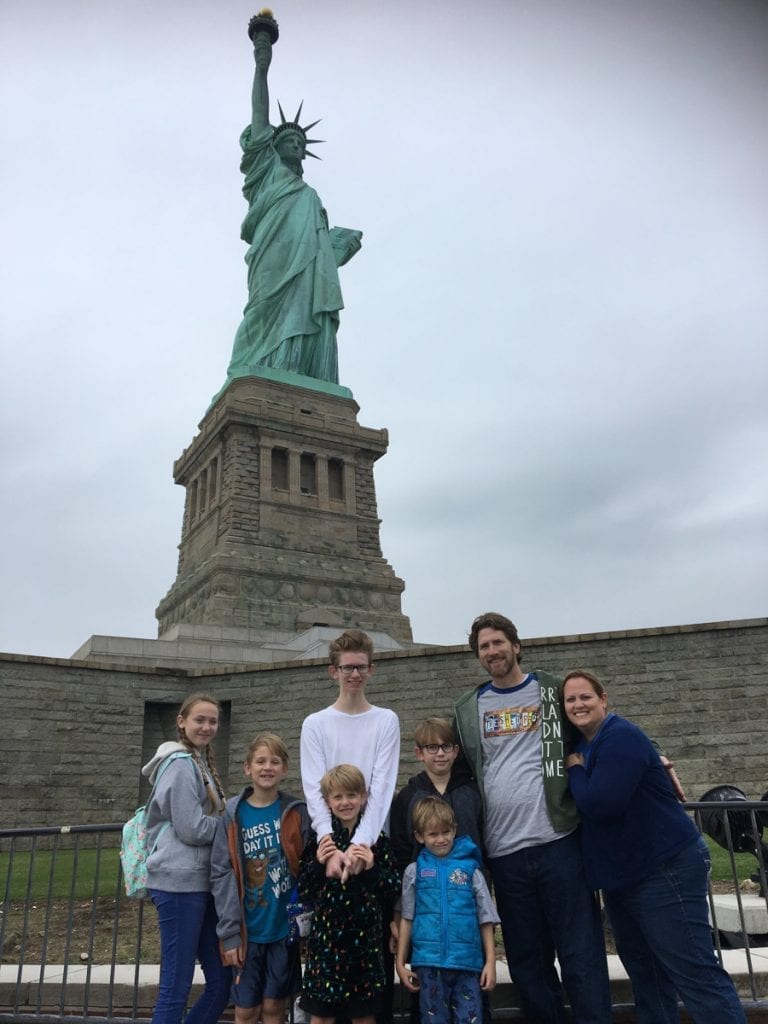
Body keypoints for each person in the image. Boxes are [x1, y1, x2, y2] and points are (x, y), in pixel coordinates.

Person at [562, 670, 747, 1024]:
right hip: (623, 879)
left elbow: (603, 804)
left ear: (603, 699)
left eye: (585, 696)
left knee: (694, 971)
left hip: (664, 869)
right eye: (570, 699)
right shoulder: (582, 744)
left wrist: (574, 771)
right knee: (648, 978)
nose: (578, 704)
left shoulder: (620, 736)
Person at [453, 612, 611, 1024]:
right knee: (527, 961)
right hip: (504, 852)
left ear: (516, 646)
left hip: (558, 840)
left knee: (581, 953)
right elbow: (457, 770)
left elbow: (598, 725)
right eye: (484, 647)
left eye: (498, 642)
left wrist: (655, 752)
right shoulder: (469, 708)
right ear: (479, 656)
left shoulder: (552, 690)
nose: (493, 651)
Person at [216, 18, 362, 400]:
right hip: (272, 257)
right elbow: (260, 116)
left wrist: (336, 249)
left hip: (306, 272)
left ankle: (299, 371)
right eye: (289, 140)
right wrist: (261, 62)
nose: (296, 144)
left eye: (300, 141)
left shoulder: (310, 196)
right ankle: (253, 372)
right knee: (260, 312)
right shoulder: (266, 172)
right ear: (274, 147)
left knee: (304, 314)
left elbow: (320, 254)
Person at [142, 693, 231, 1024]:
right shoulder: (180, 765)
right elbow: (191, 828)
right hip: (178, 884)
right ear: (182, 721)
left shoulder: (199, 761)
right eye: (199, 720)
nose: (207, 727)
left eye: (213, 721)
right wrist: (231, 825)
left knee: (221, 983)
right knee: (175, 988)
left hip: (203, 883)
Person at [210, 732, 311, 1024]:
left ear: (285, 769)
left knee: (273, 1007)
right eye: (261, 761)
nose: (267, 767)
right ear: (247, 768)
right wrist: (229, 933)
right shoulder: (233, 813)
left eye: (275, 762)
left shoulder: (296, 812)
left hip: (282, 929)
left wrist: (305, 923)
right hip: (246, 930)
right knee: (246, 1010)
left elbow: (307, 869)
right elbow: (221, 872)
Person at [297, 764, 401, 1024]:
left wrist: (371, 869)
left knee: (364, 1017)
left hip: (364, 946)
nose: (345, 802)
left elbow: (392, 888)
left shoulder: (377, 840)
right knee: (321, 1017)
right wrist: (319, 865)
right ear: (327, 801)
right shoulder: (321, 840)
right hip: (326, 945)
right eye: (338, 797)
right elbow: (304, 890)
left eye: (352, 795)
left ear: (364, 797)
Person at [300, 629, 400, 879]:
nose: (355, 674)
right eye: (347, 668)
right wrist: (329, 842)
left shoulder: (387, 720)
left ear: (371, 670)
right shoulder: (314, 724)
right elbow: (314, 788)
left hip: (373, 842)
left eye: (361, 667)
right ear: (334, 671)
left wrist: (360, 843)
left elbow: (382, 786)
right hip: (328, 844)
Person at [395, 797, 498, 1024]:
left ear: (454, 830)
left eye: (446, 832)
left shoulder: (471, 870)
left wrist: (490, 962)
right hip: (429, 965)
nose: (441, 839)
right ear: (420, 836)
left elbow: (486, 918)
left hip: (467, 964)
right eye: (433, 834)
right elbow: (407, 918)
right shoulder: (414, 872)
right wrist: (400, 963)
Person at [390, 718, 484, 875]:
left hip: (468, 888)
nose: (440, 753)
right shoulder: (408, 797)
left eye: (446, 746)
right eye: (432, 747)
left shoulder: (472, 792)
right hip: (425, 888)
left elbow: (483, 839)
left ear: (455, 751)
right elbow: (401, 847)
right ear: (419, 753)